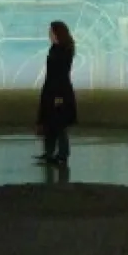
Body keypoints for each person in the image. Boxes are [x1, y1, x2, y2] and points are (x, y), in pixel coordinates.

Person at [35, 21, 77, 166]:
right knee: (49, 123)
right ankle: (49, 153)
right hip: (50, 89)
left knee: (59, 124)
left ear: (57, 33)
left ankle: (62, 154)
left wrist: (59, 96)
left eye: (51, 32)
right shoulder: (54, 49)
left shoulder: (64, 50)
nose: (49, 34)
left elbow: (61, 74)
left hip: (60, 91)